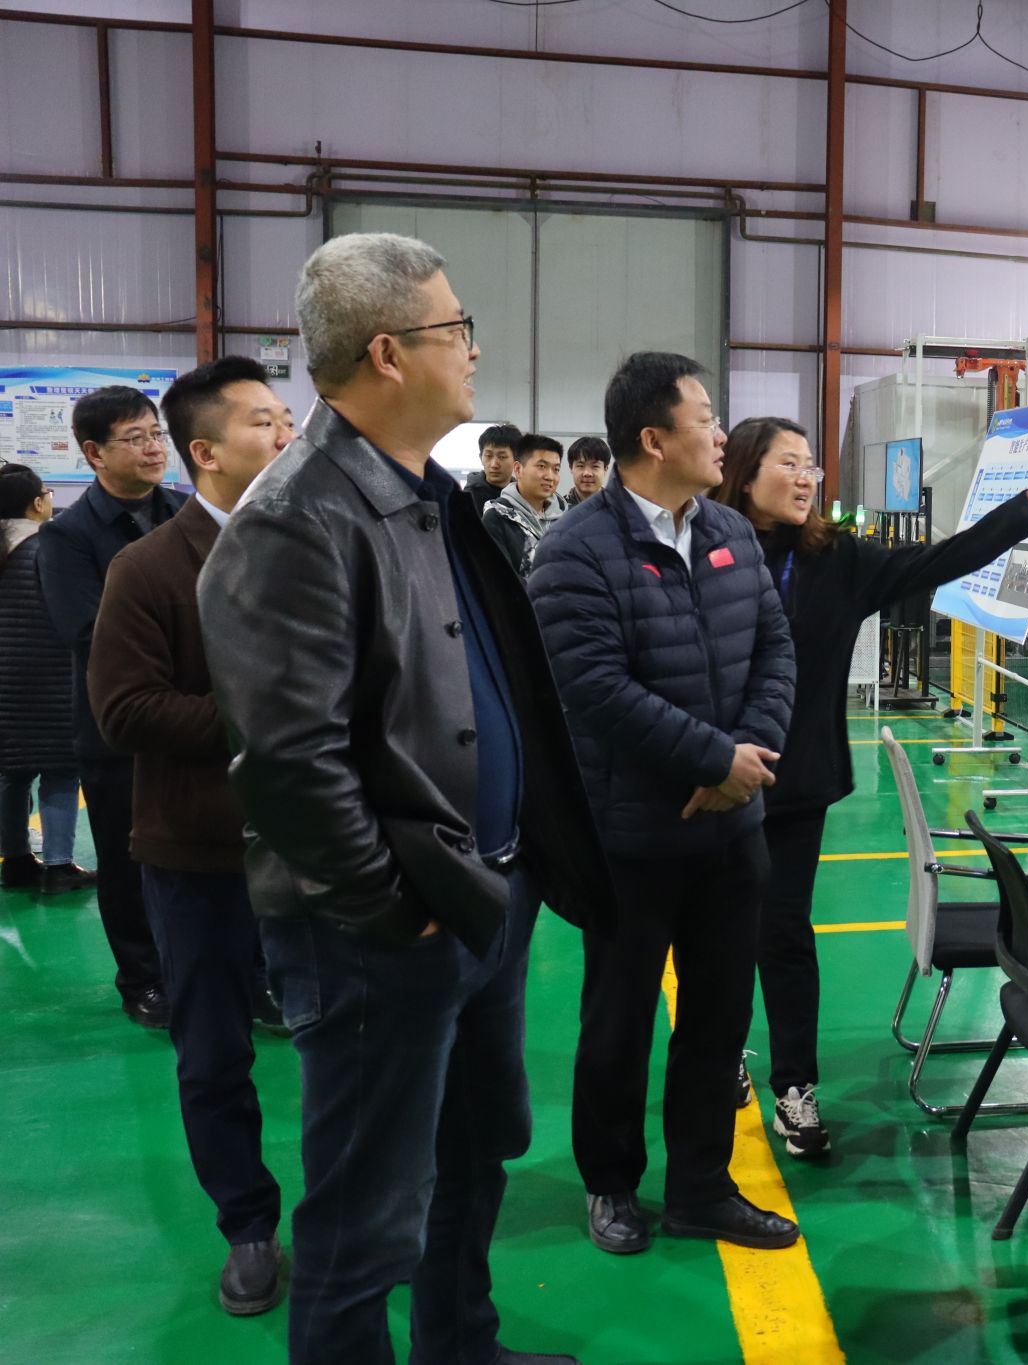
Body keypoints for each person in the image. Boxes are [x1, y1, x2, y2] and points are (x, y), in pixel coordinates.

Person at [198, 232, 613, 1365]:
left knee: (471, 1161)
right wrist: (394, 908)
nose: (473, 349)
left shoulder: (424, 495)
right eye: (456, 328)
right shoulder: (297, 518)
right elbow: (289, 763)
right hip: (381, 934)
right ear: (387, 352)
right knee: (361, 1220)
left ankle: (460, 1346)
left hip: (477, 901)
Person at [712, 417, 1028, 1158]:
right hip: (714, 778)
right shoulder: (708, 551)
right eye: (789, 464)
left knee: (783, 933)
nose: (807, 478)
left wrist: (1019, 517)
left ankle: (795, 1086)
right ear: (745, 474)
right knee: (716, 934)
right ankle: (720, 1059)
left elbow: (936, 560)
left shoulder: (837, 559)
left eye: (812, 466)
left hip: (795, 781)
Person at [529, 352, 796, 1255]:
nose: (721, 434)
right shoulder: (575, 551)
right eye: (706, 417)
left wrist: (745, 761)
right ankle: (611, 1182)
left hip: (732, 833)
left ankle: (700, 1189)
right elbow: (593, 689)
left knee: (719, 1023)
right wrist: (714, 758)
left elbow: (775, 650)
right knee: (617, 1023)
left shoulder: (731, 531)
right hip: (630, 841)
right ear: (653, 438)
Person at [88, 356, 292, 1316]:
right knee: (214, 1054)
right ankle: (247, 1223)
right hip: (201, 855)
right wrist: (269, 719)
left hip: (320, 848)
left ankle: (358, 1215)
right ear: (205, 451)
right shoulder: (148, 568)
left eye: (286, 418)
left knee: (347, 1041)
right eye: (262, 421)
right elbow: (125, 709)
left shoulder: (315, 547)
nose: (284, 435)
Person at [39, 385, 182, 1027]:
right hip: (116, 728)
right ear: (94, 453)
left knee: (207, 853)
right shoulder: (68, 536)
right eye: (135, 438)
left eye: (156, 434)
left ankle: (234, 973)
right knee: (127, 865)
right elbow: (88, 632)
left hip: (193, 720)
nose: (153, 448)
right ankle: (143, 979)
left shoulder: (185, 513)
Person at [0, 465, 94, 895]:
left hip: (5, 686)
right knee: (61, 770)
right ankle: (58, 865)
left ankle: (15, 860)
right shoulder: (48, 548)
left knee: (11, 773)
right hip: (50, 678)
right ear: (37, 503)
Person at [481, 432, 564, 577]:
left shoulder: (565, 518)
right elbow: (498, 579)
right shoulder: (497, 517)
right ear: (518, 469)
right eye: (541, 466)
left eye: (556, 469)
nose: (550, 476)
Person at [466, 421, 521, 515]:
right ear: (481, 458)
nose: (494, 464)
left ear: (517, 460)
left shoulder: (522, 497)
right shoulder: (468, 498)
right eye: (488, 456)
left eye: (502, 457)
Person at [562, 436, 610, 508]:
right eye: (580, 466)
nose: (587, 473)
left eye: (595, 466)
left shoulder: (619, 508)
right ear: (571, 468)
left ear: (605, 469)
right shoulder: (558, 509)